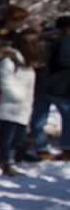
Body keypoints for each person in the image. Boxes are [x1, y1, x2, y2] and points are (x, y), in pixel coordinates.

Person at [0, 29, 40, 177]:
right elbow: (5, 82)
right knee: (7, 136)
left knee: (19, 137)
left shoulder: (26, 61)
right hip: (8, 106)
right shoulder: (9, 60)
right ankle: (6, 163)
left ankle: (2, 157)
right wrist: (18, 96)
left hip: (22, 107)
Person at [30, 16, 70, 160]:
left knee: (39, 118)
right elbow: (65, 61)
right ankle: (67, 148)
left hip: (40, 85)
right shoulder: (64, 40)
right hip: (60, 87)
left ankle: (41, 147)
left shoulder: (40, 40)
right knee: (67, 117)